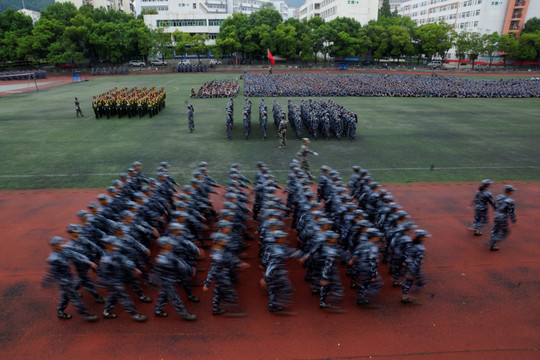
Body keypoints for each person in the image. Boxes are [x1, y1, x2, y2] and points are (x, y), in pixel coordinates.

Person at [42, 236, 98, 321]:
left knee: (64, 296)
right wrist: (46, 281)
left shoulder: (64, 250)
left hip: (68, 278)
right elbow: (51, 273)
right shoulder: (54, 259)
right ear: (54, 246)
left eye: (60, 243)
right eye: (58, 243)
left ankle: (60, 311)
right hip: (64, 282)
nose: (61, 244)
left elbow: (76, 256)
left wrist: (89, 262)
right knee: (74, 298)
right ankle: (86, 315)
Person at [401, 229, 430, 304]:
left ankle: (406, 295)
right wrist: (412, 272)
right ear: (421, 237)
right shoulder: (420, 248)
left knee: (410, 281)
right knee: (414, 281)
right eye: (424, 237)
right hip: (413, 266)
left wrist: (404, 261)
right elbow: (417, 262)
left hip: (408, 264)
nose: (425, 238)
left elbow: (406, 252)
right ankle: (407, 296)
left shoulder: (411, 243)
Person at [489, 185, 517, 251]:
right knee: (505, 232)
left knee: (495, 229)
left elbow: (495, 205)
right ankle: (493, 240)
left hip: (496, 215)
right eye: (512, 191)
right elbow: (511, 212)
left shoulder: (499, 197)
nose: (513, 192)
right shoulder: (510, 201)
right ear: (509, 192)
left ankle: (493, 245)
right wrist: (513, 220)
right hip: (503, 217)